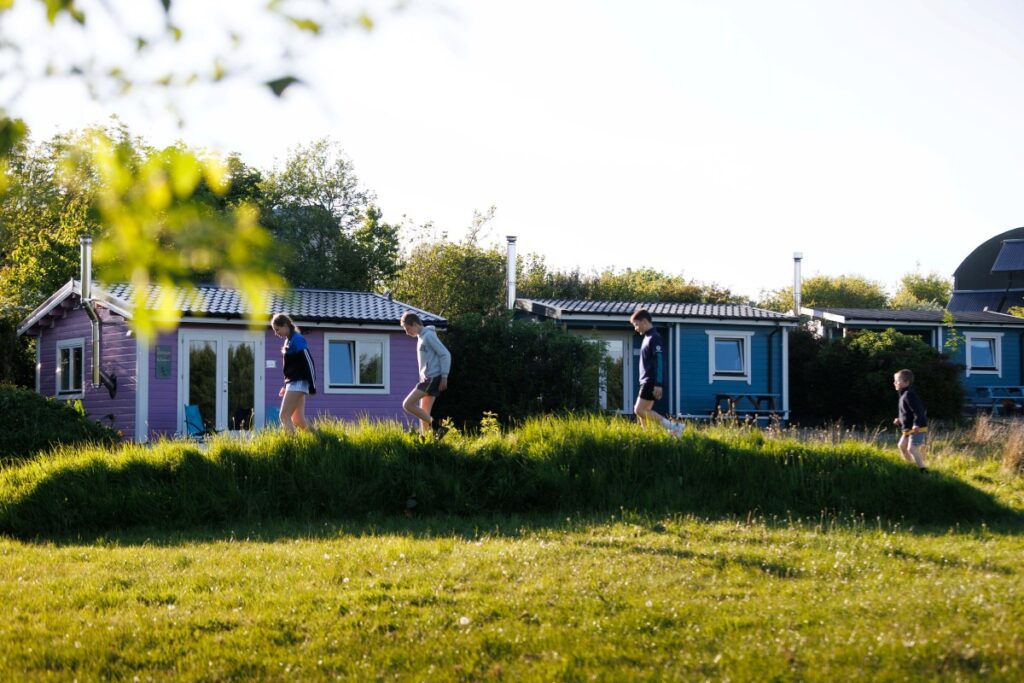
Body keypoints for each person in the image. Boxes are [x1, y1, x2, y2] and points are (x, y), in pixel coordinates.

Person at [630, 309, 684, 437]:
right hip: (647, 381)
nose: (636, 329)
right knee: (644, 412)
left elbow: (659, 360)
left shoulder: (654, 337)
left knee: (639, 410)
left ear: (644, 321)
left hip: (651, 381)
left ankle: (674, 426)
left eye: (636, 324)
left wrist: (658, 384)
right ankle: (648, 436)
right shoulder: (647, 337)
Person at [400, 311, 451, 438]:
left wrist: (444, 376)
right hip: (428, 378)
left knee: (407, 404)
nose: (407, 332)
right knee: (424, 413)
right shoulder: (421, 337)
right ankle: (426, 440)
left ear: (415, 324)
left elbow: (445, 354)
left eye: (408, 328)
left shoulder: (428, 336)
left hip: (432, 378)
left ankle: (438, 428)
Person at [271, 313, 317, 432]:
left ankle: (292, 446)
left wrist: (312, 386)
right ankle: (322, 439)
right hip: (293, 383)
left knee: (284, 416)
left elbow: (309, 362)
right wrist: (286, 386)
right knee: (298, 420)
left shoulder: (297, 339)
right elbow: (291, 368)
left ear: (285, 325)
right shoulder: (288, 341)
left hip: (298, 383)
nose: (276, 333)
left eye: (277, 329)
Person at [893, 368, 927, 471]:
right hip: (908, 428)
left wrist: (916, 424)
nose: (895, 382)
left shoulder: (909, 394)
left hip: (917, 427)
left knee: (911, 448)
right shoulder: (903, 394)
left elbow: (919, 411)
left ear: (906, 382)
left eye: (897, 380)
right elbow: (907, 413)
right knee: (901, 446)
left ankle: (923, 470)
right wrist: (899, 419)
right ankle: (911, 466)